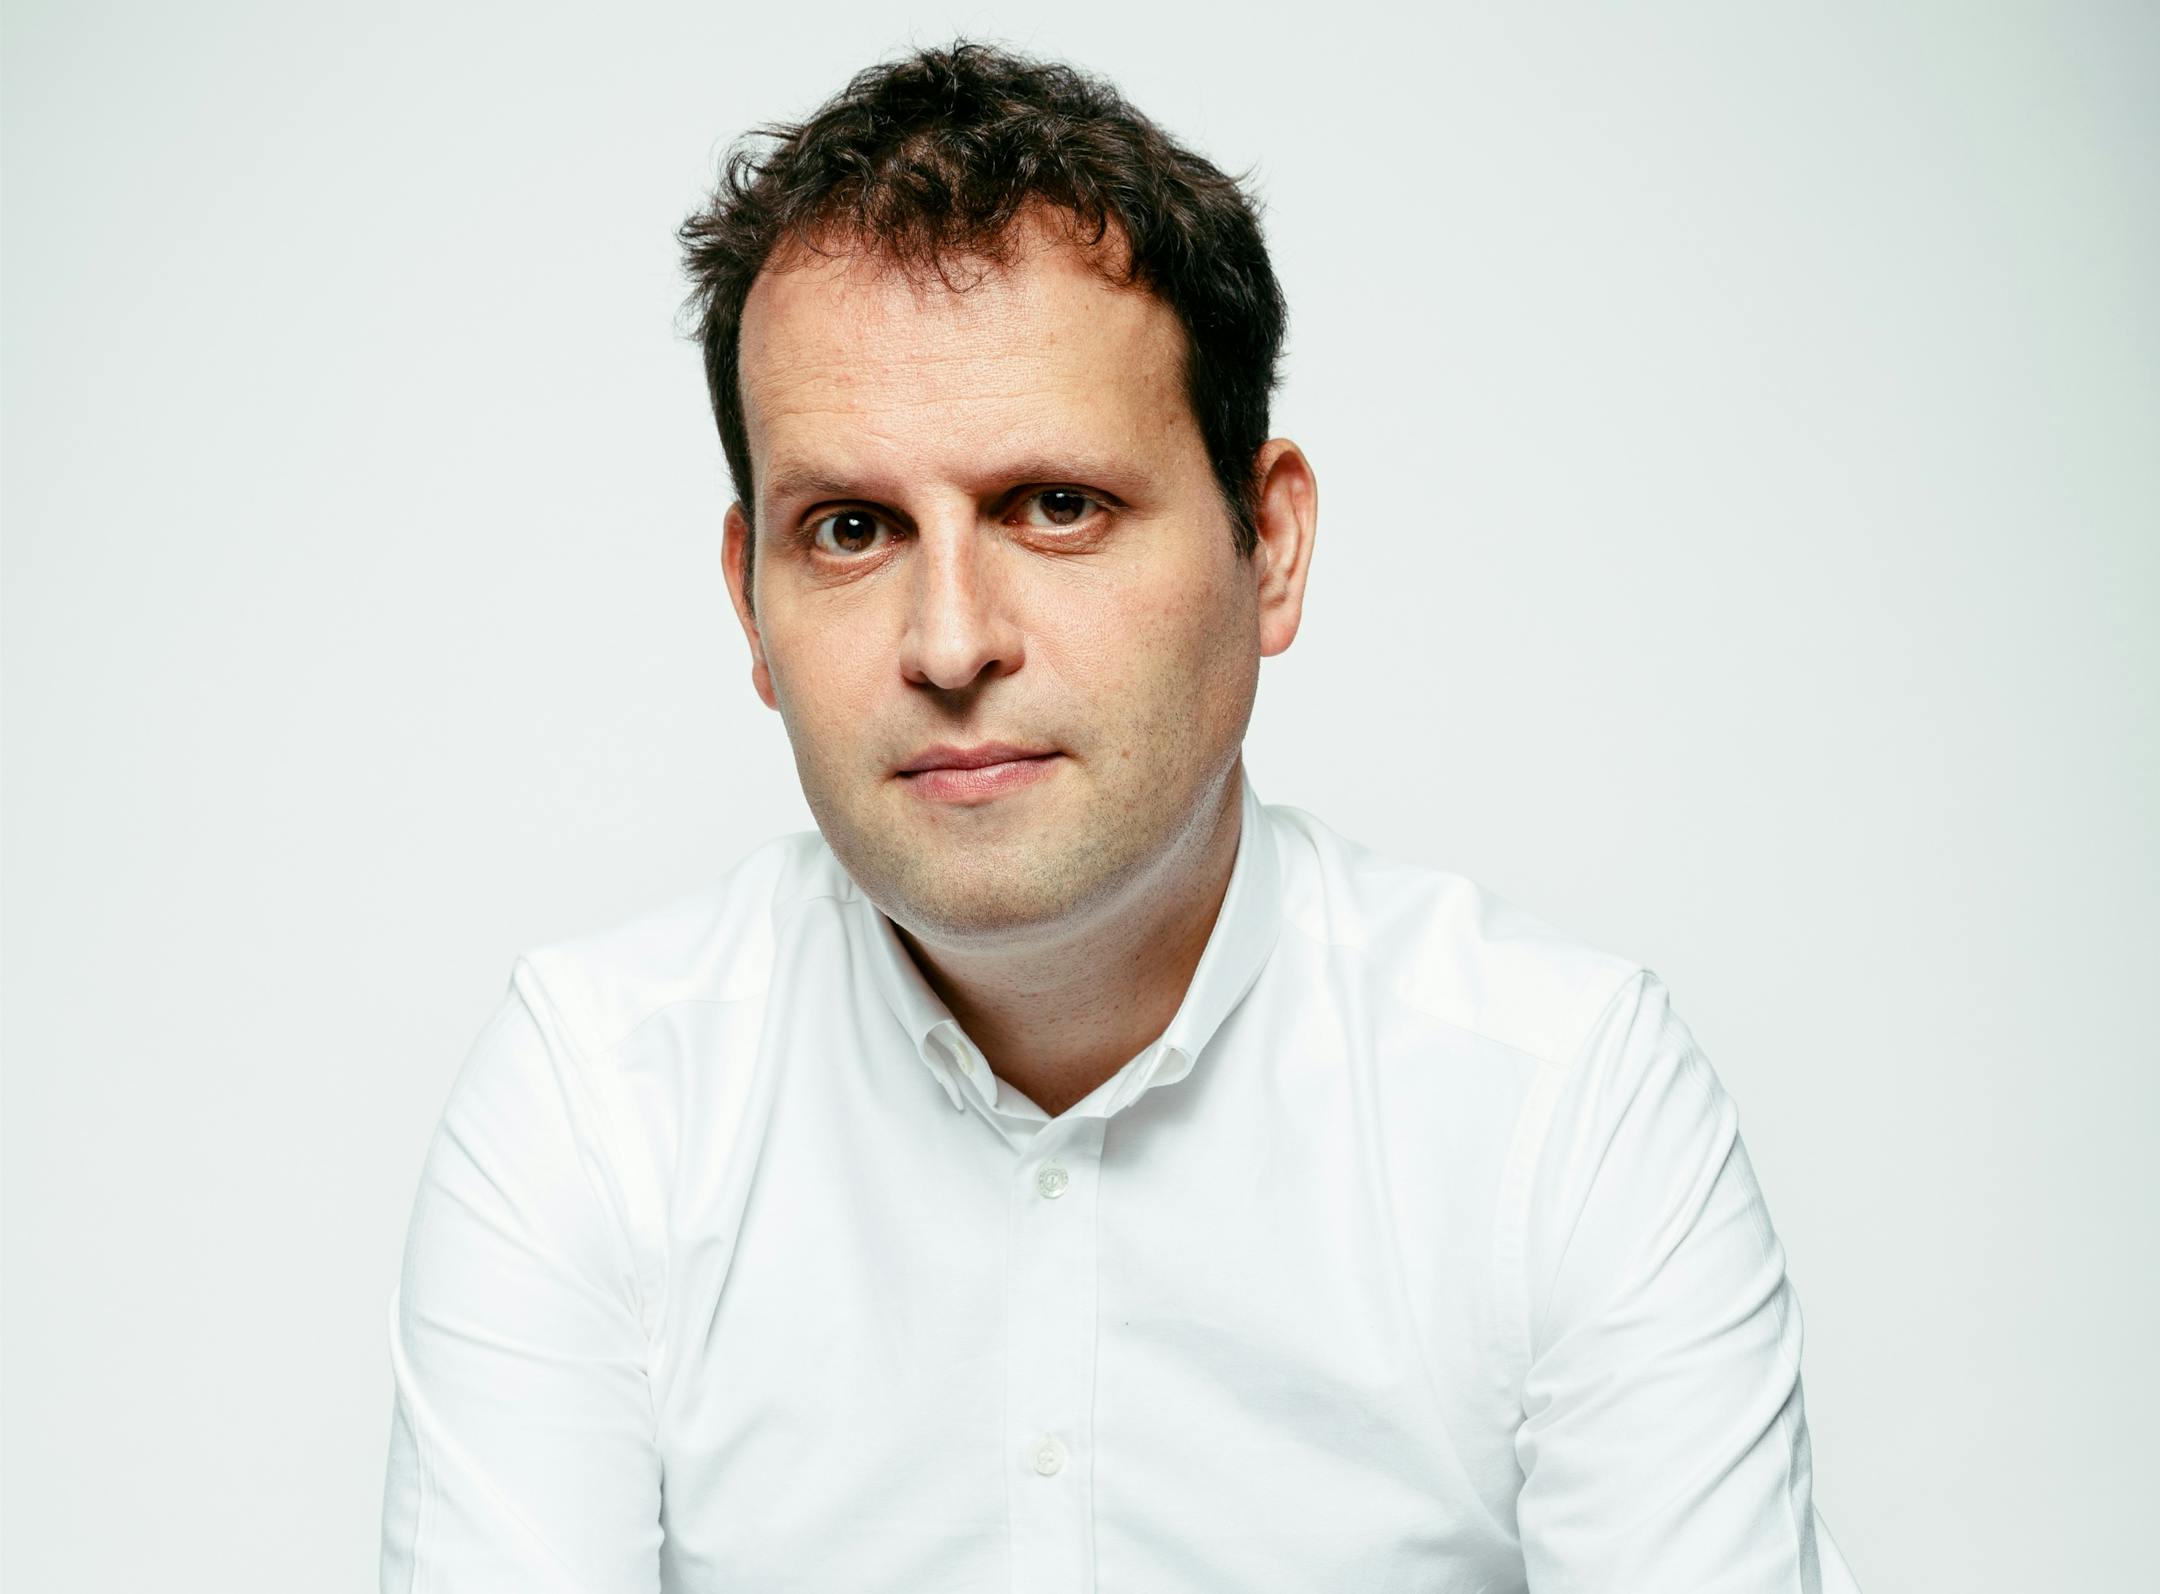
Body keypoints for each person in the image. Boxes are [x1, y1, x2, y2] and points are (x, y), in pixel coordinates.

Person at [380, 40, 1860, 1593]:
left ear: (1269, 545)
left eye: (1055, 505)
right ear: (749, 603)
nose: (951, 642)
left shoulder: (1564, 1109)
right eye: (854, 528)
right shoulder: (595, 1105)